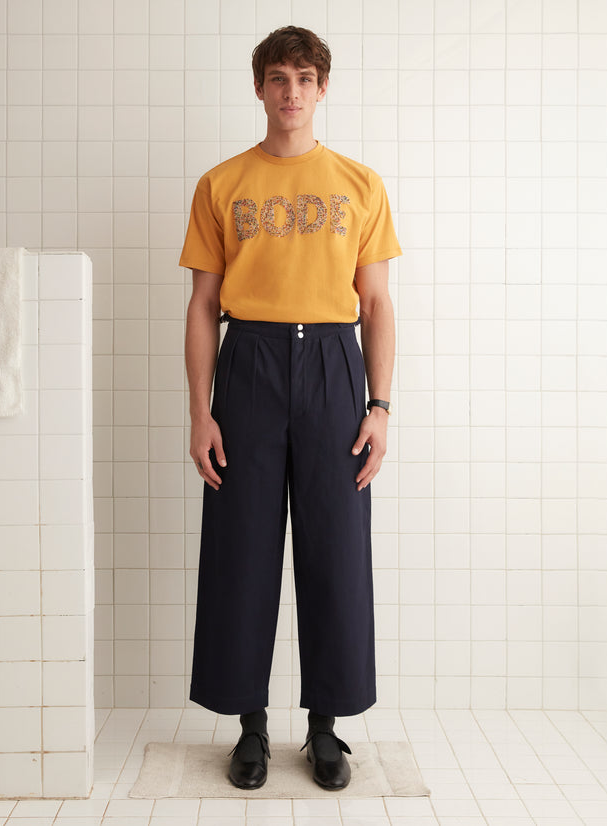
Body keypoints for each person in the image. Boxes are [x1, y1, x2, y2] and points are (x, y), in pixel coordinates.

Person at [180, 25, 402, 792]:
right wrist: (199, 411)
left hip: (334, 365)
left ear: (323, 88)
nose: (292, 92)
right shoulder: (222, 185)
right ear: (259, 88)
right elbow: (204, 304)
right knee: (242, 544)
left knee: (336, 546)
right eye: (278, 78)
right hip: (249, 365)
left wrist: (378, 405)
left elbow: (375, 302)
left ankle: (324, 729)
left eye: (306, 79)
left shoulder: (359, 184)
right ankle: (249, 724)